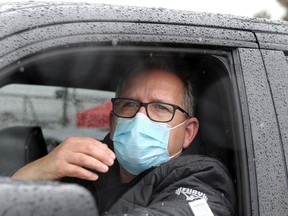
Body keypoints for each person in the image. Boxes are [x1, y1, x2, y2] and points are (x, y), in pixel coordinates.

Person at [12, 58, 236, 216]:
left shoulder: (203, 179)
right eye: (129, 104)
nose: (140, 117)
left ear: (188, 132)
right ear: (112, 122)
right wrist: (44, 169)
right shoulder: (85, 168)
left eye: (160, 107)